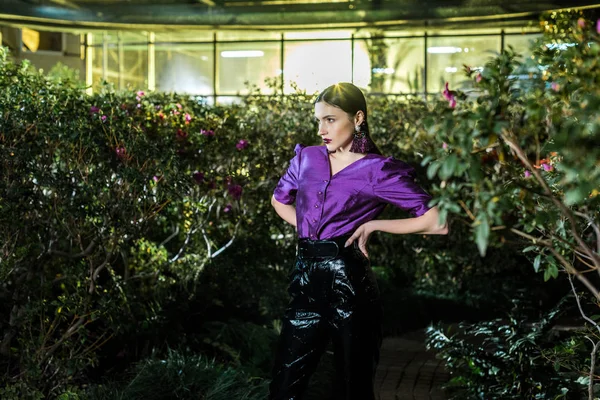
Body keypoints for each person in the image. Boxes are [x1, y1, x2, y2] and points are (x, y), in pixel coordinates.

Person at [269, 82, 449, 400]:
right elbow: (279, 200)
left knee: (354, 390)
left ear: (358, 118)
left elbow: (438, 221)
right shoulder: (307, 159)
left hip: (349, 285)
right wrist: (311, 229)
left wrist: (375, 225)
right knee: (283, 390)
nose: (322, 129)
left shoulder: (376, 170)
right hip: (305, 283)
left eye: (331, 119)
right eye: (319, 120)